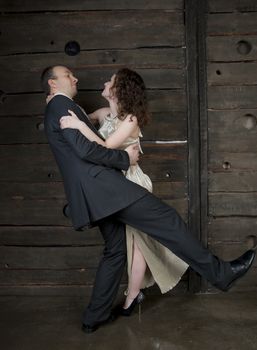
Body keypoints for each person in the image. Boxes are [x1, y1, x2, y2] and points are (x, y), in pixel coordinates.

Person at [42, 65, 255, 334]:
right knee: (168, 221)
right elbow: (86, 149)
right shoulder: (61, 106)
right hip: (106, 189)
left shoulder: (60, 106)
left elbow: (87, 135)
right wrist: (125, 159)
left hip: (96, 193)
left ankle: (93, 317)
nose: (75, 78)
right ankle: (222, 274)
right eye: (67, 75)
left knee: (115, 251)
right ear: (53, 83)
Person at [59, 68, 189, 313]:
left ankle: (132, 295)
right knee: (128, 243)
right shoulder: (103, 113)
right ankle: (134, 293)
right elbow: (78, 118)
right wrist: (61, 107)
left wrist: (78, 124)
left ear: (119, 90)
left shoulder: (131, 119)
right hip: (112, 184)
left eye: (111, 81)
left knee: (137, 242)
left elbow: (106, 145)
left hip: (132, 181)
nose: (106, 82)